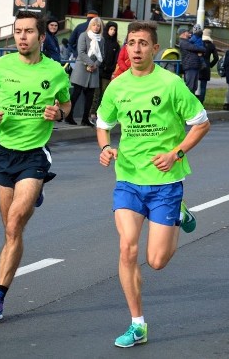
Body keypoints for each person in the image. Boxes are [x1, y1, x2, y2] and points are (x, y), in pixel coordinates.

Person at [96, 21, 210, 348]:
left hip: (165, 183)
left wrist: (176, 153)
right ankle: (137, 324)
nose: (136, 49)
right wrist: (105, 148)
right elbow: (103, 125)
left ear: (155, 49)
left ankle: (177, 215)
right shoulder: (117, 87)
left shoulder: (171, 85)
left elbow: (201, 124)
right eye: (131, 42)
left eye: (143, 43)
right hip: (129, 179)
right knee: (127, 247)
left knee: (156, 261)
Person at [0, 10, 72, 322]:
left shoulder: (55, 71)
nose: (21, 37)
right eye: (18, 31)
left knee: (16, 222)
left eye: (28, 31)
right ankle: (33, 191)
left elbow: (67, 105)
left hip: (34, 153)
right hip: (5, 153)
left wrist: (57, 114)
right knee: (9, 231)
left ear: (41, 37)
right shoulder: (1, 66)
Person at [66, 17, 104, 126]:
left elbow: (102, 55)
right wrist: (90, 64)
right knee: (76, 94)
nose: (96, 27)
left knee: (90, 96)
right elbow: (81, 52)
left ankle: (85, 119)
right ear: (90, 25)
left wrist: (95, 65)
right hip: (81, 68)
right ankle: (69, 116)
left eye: (98, 25)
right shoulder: (84, 35)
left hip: (93, 71)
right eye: (94, 25)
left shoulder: (101, 39)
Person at [90, 21, 120, 124]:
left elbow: (116, 59)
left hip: (108, 73)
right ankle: (92, 113)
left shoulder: (116, 44)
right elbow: (97, 54)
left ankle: (100, 114)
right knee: (96, 94)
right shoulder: (102, 40)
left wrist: (111, 68)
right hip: (99, 71)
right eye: (111, 29)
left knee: (104, 94)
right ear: (107, 29)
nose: (113, 31)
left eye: (114, 30)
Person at [178, 27, 206, 94]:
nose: (189, 33)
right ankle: (187, 103)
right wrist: (201, 49)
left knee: (194, 87)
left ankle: (191, 103)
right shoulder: (184, 43)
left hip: (193, 66)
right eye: (187, 32)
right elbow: (197, 48)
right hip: (190, 66)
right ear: (184, 33)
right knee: (190, 87)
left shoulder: (188, 42)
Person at [196, 28, 219, 103]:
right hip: (206, 66)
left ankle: (194, 101)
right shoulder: (211, 45)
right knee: (203, 86)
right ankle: (201, 102)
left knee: (194, 85)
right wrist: (210, 65)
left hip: (197, 65)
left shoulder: (198, 42)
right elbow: (216, 58)